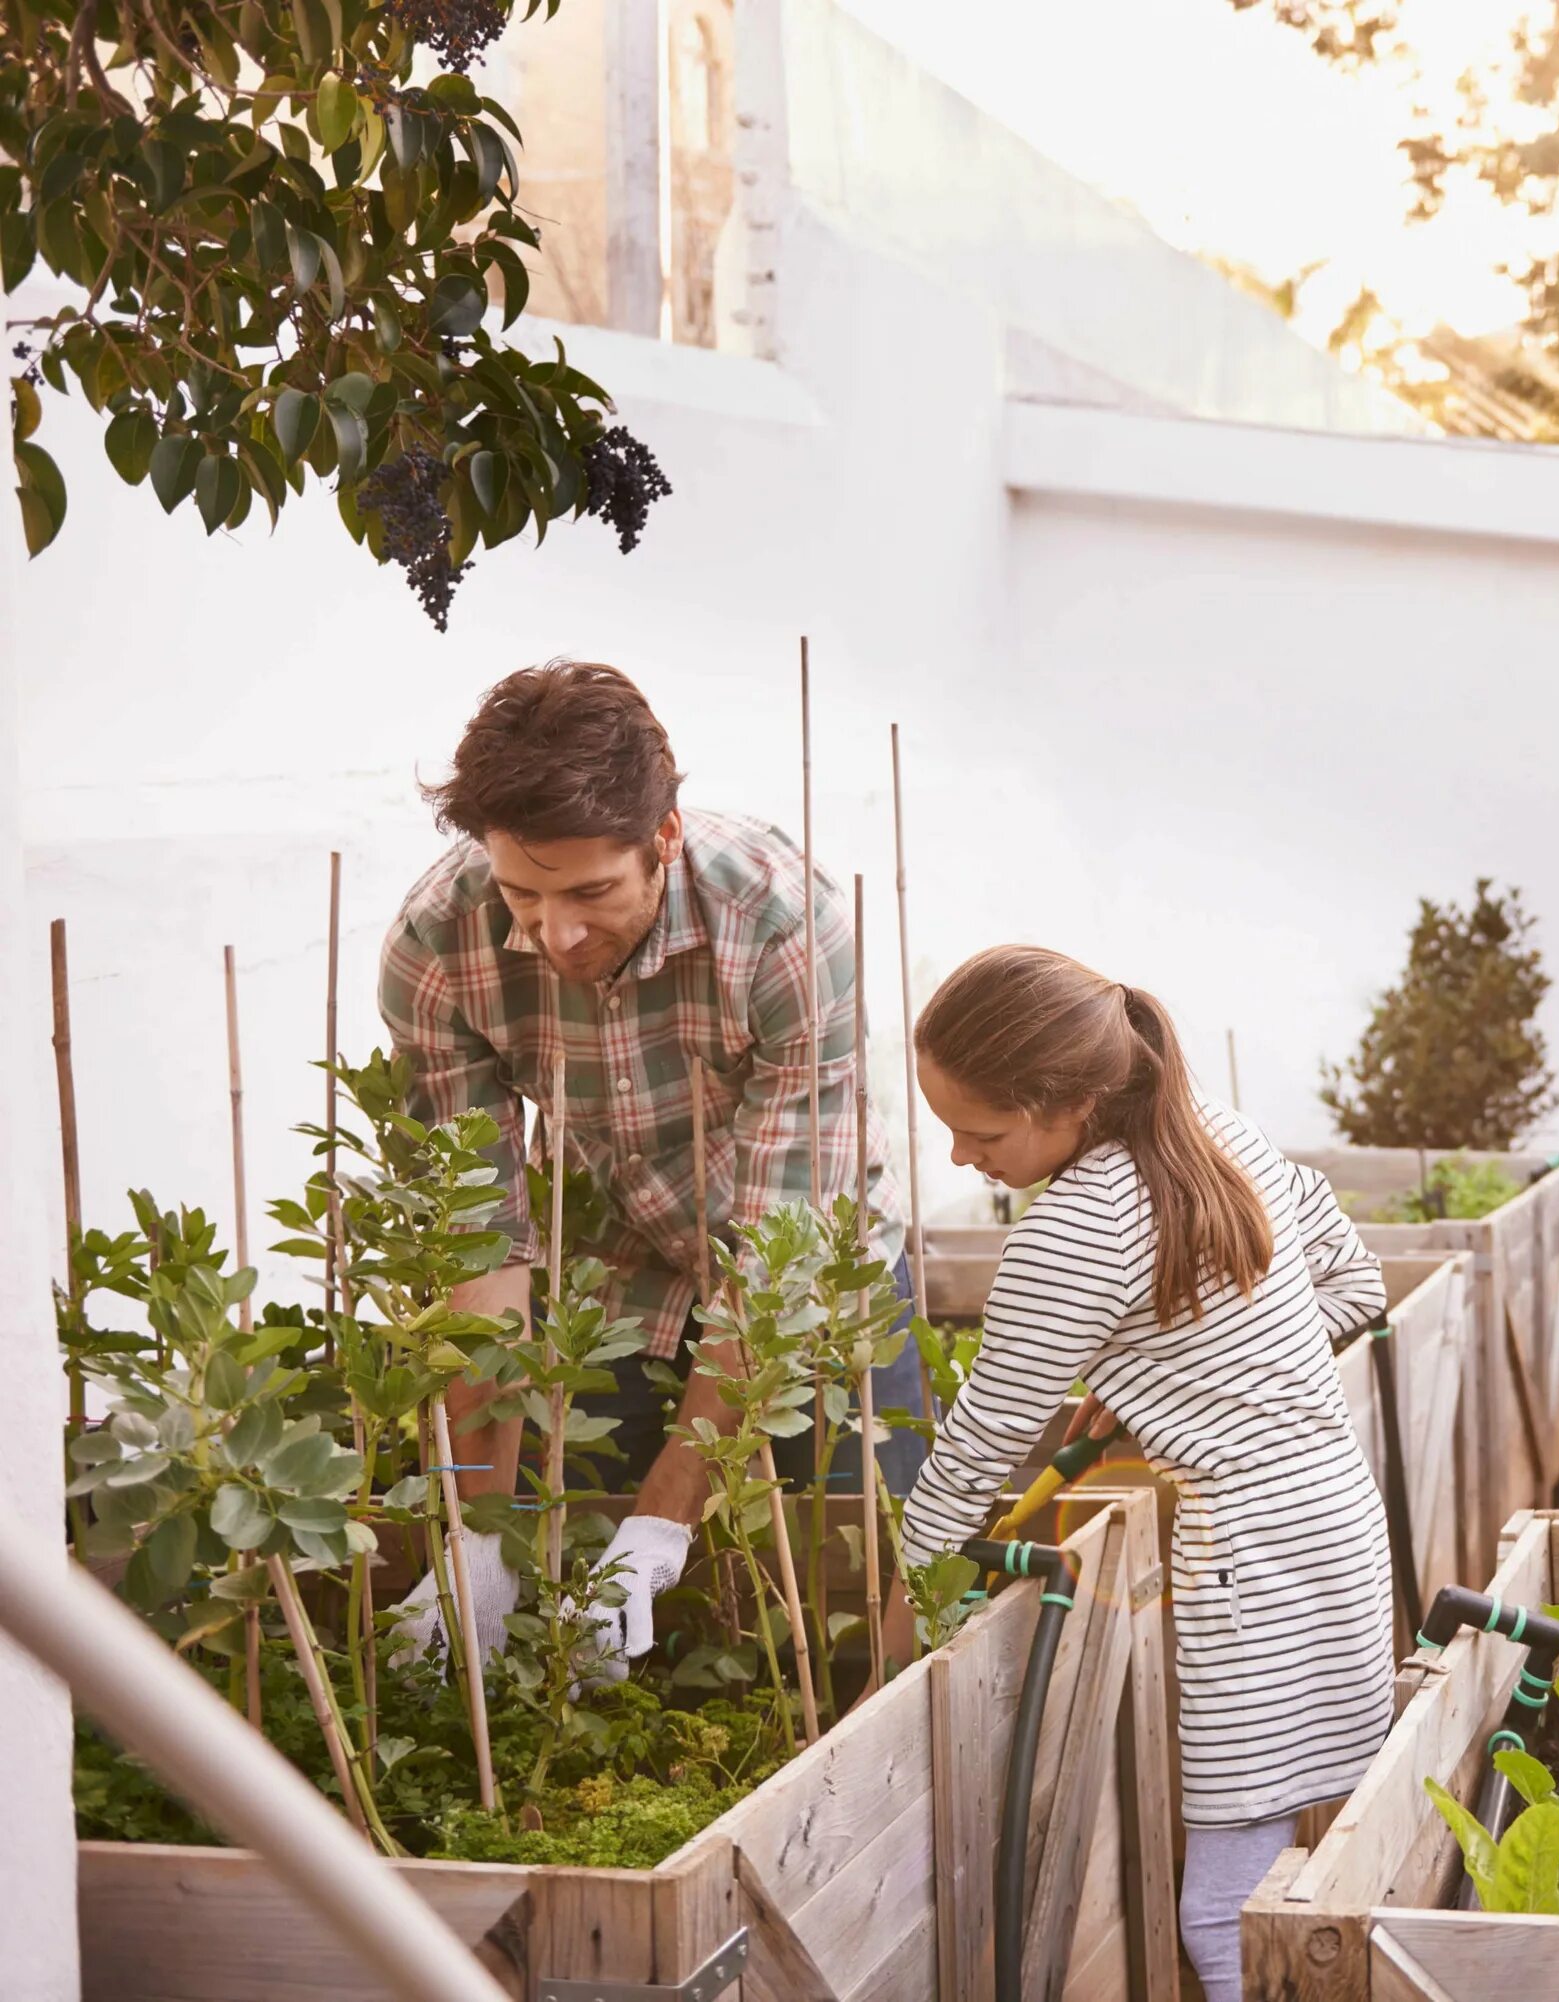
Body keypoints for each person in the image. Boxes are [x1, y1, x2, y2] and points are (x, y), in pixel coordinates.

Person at [379, 660, 920, 1675]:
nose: (556, 931)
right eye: (522, 893)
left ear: (662, 838)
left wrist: (663, 1528)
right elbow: (478, 1236)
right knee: (600, 1623)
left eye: (591, 891)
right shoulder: (437, 944)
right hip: (616, 1269)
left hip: (811, 1282)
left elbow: (777, 1262)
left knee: (861, 1602)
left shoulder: (778, 922)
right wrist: (478, 1530)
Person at [890, 946, 1395, 2002]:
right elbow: (1353, 1281)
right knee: (1341, 1854)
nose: (956, 1154)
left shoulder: (1072, 1231)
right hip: (1338, 1521)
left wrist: (904, 1598)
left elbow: (981, 1443)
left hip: (1246, 1558)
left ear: (1072, 1101)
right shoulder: (1221, 1135)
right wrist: (1183, 1375)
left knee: (1219, 1910)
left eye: (981, 1132)